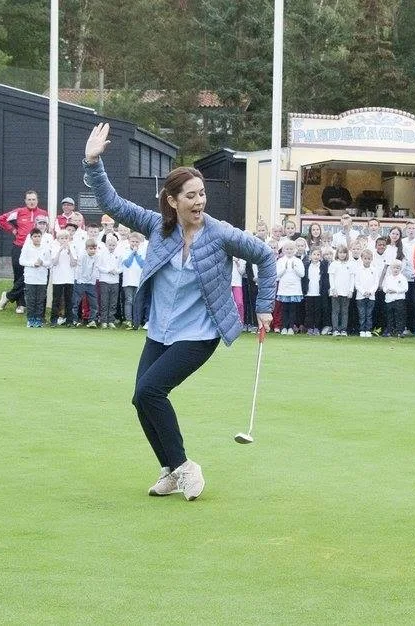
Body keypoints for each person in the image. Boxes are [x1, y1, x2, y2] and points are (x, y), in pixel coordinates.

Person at [83, 122, 276, 501]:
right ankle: (170, 471)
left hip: (199, 334)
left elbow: (266, 256)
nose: (199, 201)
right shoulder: (157, 227)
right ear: (172, 201)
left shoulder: (220, 234)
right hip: (160, 330)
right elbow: (113, 205)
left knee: (153, 390)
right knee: (141, 398)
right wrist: (93, 162)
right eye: (191, 196)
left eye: (202, 194)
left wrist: (264, 307)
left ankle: (186, 468)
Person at [0, 190, 48, 313]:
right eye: (29, 199)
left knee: (28, 276)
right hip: (19, 246)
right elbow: (1, 219)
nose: (31, 202)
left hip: (36, 249)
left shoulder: (43, 213)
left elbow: (48, 228)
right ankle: (20, 304)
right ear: (25, 201)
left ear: (37, 200)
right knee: (19, 276)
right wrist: (13, 230)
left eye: (33, 199)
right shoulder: (19, 212)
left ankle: (8, 296)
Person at [19, 227, 52, 328]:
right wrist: (33, 264)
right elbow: (21, 261)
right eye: (35, 236)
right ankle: (30, 319)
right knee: (31, 300)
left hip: (41, 278)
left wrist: (42, 263)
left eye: (39, 236)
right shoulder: (27, 248)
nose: (37, 238)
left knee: (40, 300)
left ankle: (38, 319)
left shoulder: (45, 248)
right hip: (30, 278)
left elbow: (50, 263)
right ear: (31, 237)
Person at [276, 240, 305, 334]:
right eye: (287, 249)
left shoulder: (298, 261)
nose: (289, 251)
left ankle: (291, 327)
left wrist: (294, 268)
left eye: (291, 249)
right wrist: (284, 269)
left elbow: (302, 274)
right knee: (284, 309)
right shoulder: (280, 261)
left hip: (294, 289)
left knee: (293, 309)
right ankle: (284, 327)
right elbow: (277, 275)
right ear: (284, 250)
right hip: (284, 288)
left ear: (295, 250)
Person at [49, 229, 78, 325]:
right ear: (58, 239)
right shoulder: (55, 247)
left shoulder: (72, 247)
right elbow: (54, 262)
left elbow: (74, 263)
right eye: (62, 238)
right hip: (58, 278)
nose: (64, 240)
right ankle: (54, 320)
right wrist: (60, 250)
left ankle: (69, 320)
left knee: (69, 300)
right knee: (56, 300)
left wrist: (69, 251)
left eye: (66, 238)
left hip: (69, 278)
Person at [97, 235, 122, 328]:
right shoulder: (101, 254)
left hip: (115, 281)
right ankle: (104, 321)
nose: (111, 247)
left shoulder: (119, 255)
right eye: (110, 245)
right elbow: (98, 266)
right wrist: (108, 270)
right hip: (104, 280)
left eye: (113, 245)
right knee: (104, 301)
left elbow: (121, 267)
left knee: (113, 302)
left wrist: (116, 271)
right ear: (106, 245)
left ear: (116, 245)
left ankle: (111, 320)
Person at [328, 245, 354, 337]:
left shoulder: (350, 264)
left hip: (346, 292)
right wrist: (333, 289)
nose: (342, 255)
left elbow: (352, 278)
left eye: (344, 253)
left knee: (344, 311)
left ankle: (343, 329)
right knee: (335, 311)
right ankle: (335, 329)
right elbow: (331, 277)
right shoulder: (334, 264)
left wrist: (351, 290)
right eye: (340, 252)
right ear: (337, 254)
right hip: (335, 291)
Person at [302, 248, 328, 335]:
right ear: (310, 256)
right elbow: (304, 278)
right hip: (309, 292)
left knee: (318, 311)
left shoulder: (323, 266)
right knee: (309, 311)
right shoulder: (306, 265)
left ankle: (316, 327)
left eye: (318, 255)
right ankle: (309, 327)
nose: (316, 257)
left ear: (320, 256)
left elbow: (325, 280)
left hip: (319, 292)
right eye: (314, 254)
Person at [354, 249, 378, 337]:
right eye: (365, 258)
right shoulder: (358, 269)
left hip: (371, 296)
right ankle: (362, 330)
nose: (367, 260)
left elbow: (376, 283)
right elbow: (357, 283)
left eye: (369, 258)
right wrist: (363, 292)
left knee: (369, 314)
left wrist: (371, 292)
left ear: (371, 259)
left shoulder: (374, 270)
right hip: (360, 296)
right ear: (362, 259)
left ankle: (368, 330)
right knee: (362, 314)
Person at [382, 261, 409, 337]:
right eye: (394, 268)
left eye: (398, 268)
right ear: (391, 268)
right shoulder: (388, 278)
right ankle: (390, 331)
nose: (396, 269)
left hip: (399, 299)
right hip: (389, 300)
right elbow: (384, 287)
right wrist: (386, 290)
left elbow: (405, 288)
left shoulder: (402, 278)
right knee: (390, 316)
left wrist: (396, 291)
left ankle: (400, 331)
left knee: (399, 316)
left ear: (400, 269)